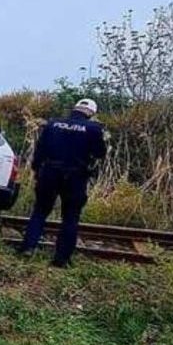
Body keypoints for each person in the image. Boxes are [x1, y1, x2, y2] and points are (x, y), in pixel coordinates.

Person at [18, 98, 108, 267]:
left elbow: (40, 150)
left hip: (49, 172)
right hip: (75, 177)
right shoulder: (94, 129)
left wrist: (37, 170)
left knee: (40, 211)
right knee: (70, 217)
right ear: (91, 113)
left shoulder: (53, 123)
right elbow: (100, 154)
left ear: (75, 108)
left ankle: (28, 248)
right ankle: (61, 259)